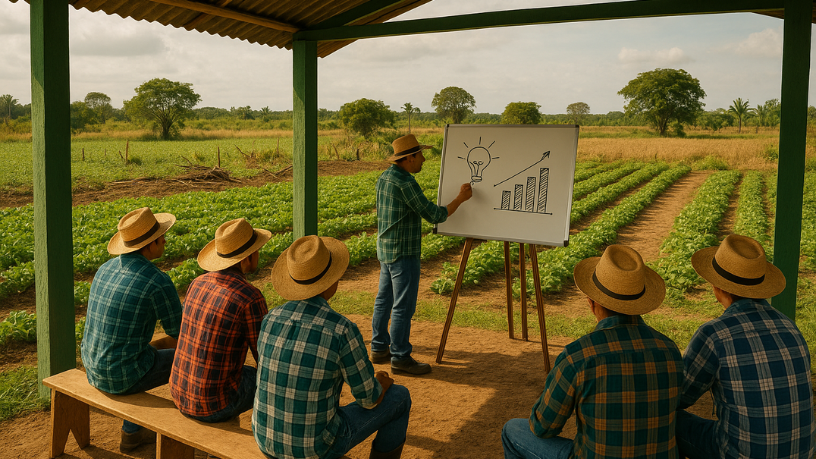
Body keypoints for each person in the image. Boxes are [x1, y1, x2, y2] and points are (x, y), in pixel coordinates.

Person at [502, 244, 684, 459]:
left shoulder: (579, 355)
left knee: (512, 429)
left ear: (592, 302)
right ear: (639, 303)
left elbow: (543, 426)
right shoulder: (670, 350)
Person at [254, 235, 411, 459]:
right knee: (399, 396)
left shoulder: (271, 318)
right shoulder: (341, 329)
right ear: (331, 280)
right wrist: (381, 384)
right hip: (315, 450)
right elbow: (368, 399)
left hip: (265, 441)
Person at [676, 234, 815, 459]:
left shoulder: (714, 334)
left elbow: (680, 396)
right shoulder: (790, 326)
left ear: (717, 286)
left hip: (740, 455)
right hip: (802, 453)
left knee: (672, 421)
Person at [81, 207, 182, 452]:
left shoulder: (105, 268)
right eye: (161, 236)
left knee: (142, 352)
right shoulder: (157, 280)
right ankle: (192, 428)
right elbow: (182, 334)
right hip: (121, 375)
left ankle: (133, 432)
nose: (165, 240)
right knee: (188, 359)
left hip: (92, 365)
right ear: (150, 244)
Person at [372, 133, 473, 375]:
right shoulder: (406, 183)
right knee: (403, 307)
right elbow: (433, 214)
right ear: (409, 158)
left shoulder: (385, 177)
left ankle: (379, 348)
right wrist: (460, 199)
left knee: (384, 300)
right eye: (420, 155)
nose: (424, 159)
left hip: (386, 249)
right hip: (403, 252)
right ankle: (400, 357)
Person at [169, 218, 271, 423]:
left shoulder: (197, 282)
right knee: (268, 381)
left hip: (179, 391)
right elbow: (265, 357)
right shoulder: (249, 297)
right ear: (247, 258)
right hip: (215, 404)